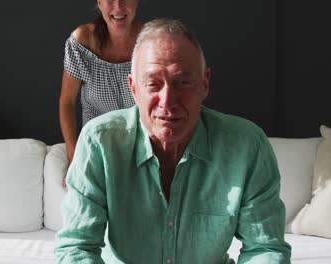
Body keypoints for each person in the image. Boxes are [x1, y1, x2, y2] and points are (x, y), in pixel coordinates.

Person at [56, 18, 291, 263]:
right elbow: (77, 249)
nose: (167, 101)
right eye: (153, 84)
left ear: (205, 83)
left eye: (182, 82)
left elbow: (265, 249)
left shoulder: (247, 146)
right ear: (133, 88)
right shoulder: (99, 142)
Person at [59, 0, 142, 187]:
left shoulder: (149, 41)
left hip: (141, 146)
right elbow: (67, 102)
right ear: (99, 2)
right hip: (97, 145)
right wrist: (74, 159)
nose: (118, 6)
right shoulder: (82, 40)